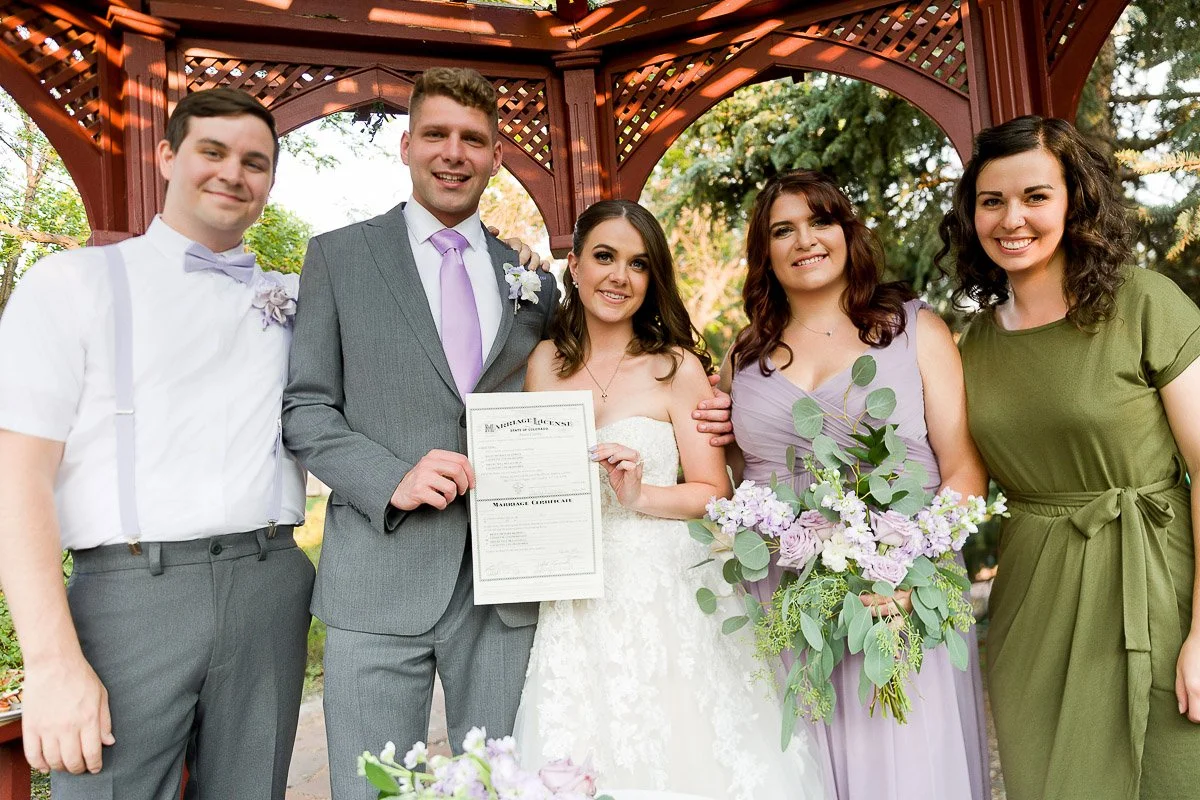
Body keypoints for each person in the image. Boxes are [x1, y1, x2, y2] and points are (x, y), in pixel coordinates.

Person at [281, 68, 733, 800]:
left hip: (511, 584)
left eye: (474, 140)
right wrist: (389, 477)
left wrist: (719, 412)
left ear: (496, 157)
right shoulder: (338, 258)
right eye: (436, 135)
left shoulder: (534, 285)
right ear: (406, 146)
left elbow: (600, 380)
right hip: (380, 574)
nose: (454, 153)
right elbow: (304, 408)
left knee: (504, 785)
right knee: (372, 786)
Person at [0, 88, 314, 799]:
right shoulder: (71, 283)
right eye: (213, 151)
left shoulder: (296, 299)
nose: (234, 173)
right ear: (167, 155)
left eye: (255, 162)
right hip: (129, 597)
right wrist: (51, 663)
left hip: (269, 584)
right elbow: (16, 477)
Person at [513, 199, 826, 799]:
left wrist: (640, 492)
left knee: (685, 753)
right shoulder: (542, 365)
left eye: (638, 264)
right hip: (574, 593)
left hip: (664, 584)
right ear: (573, 265)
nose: (618, 277)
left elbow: (714, 493)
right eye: (604, 257)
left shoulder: (674, 367)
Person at [942, 115, 1200, 800]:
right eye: (991, 201)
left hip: (1155, 587)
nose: (1011, 219)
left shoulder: (1144, 303)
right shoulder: (973, 345)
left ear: (1075, 201)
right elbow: (953, 475)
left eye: (1035, 196)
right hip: (1033, 607)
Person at [723, 170, 992, 799]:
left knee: (906, 763)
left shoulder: (913, 330)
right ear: (765, 252)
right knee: (804, 764)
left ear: (847, 232)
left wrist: (900, 572)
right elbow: (739, 478)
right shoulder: (746, 356)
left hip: (903, 592)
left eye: (819, 221)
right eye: (781, 230)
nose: (804, 241)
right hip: (787, 598)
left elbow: (964, 472)